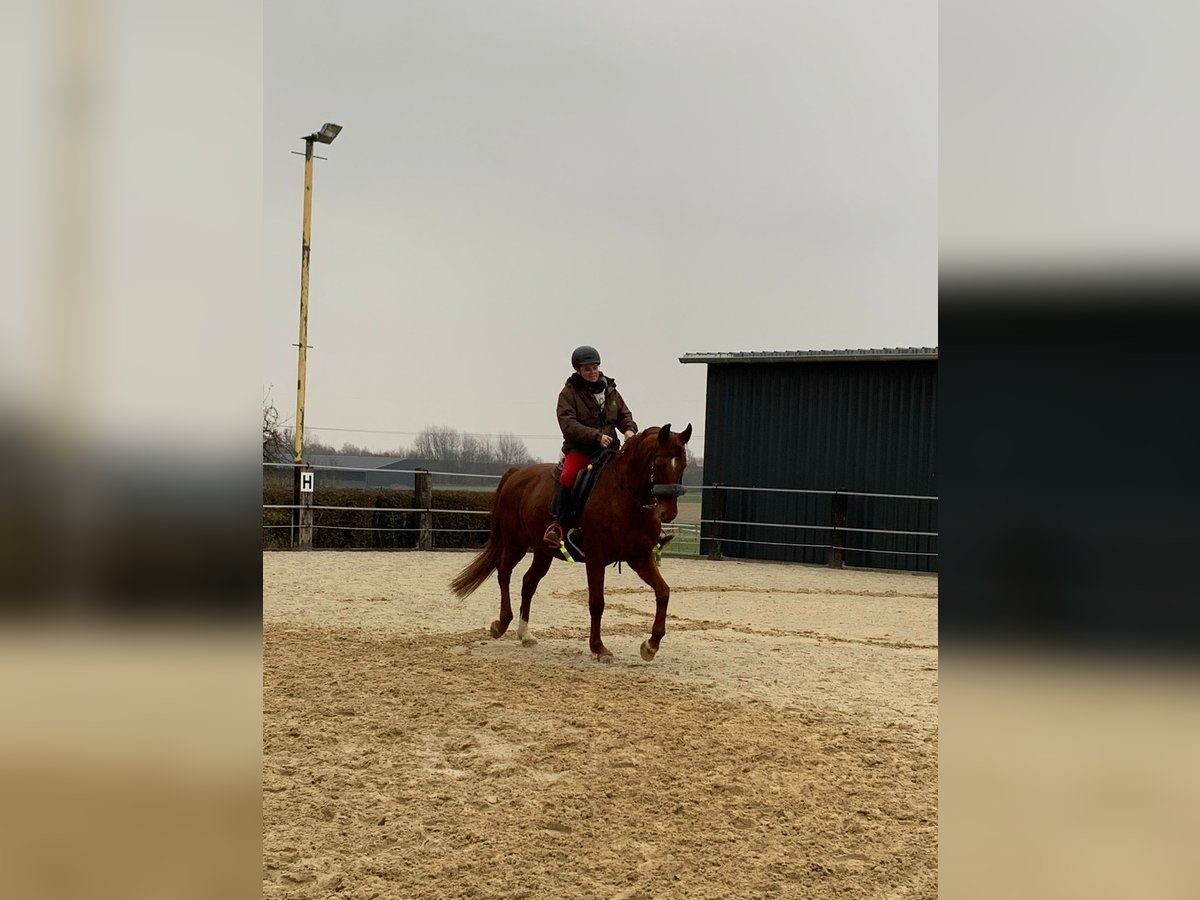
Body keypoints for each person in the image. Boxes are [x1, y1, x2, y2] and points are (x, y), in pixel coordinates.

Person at [544, 345, 637, 547]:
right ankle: (557, 524)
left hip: (610, 449)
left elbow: (624, 415)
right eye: (587, 369)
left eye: (595, 368)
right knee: (567, 476)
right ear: (578, 370)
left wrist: (629, 429)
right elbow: (568, 424)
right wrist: (596, 436)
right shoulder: (568, 394)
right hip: (581, 449)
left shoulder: (611, 390)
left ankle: (646, 526)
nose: (592, 372)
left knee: (634, 473)